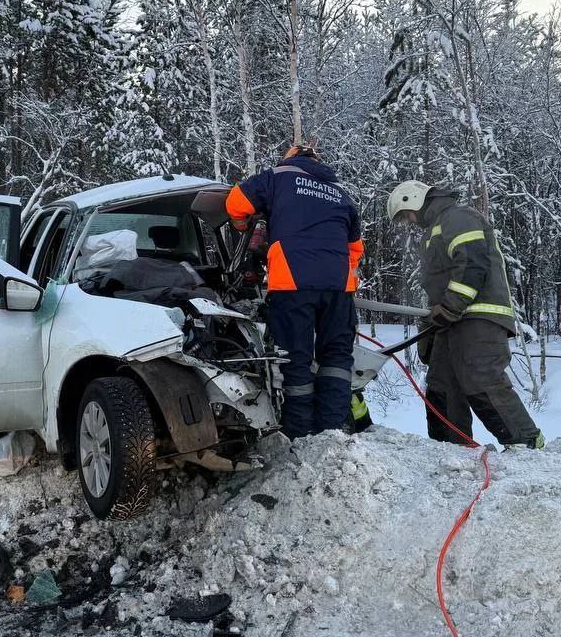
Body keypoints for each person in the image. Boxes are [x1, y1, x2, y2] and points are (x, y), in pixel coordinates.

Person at [226, 145, 371, 439]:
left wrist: (243, 225)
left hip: (293, 284)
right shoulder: (339, 192)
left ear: (289, 160)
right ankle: (331, 434)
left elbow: (235, 202)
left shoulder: (278, 176)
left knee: (296, 359)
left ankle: (299, 435)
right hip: (339, 289)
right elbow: (356, 249)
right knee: (337, 358)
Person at [386, 180, 544, 449]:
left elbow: (471, 262)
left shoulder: (457, 217)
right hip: (452, 322)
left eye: (407, 215)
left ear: (413, 200)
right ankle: (451, 448)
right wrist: (430, 327)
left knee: (480, 377)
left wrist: (450, 306)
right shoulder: (432, 233)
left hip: (478, 316)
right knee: (441, 384)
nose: (410, 222)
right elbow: (438, 286)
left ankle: (526, 442)